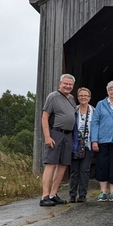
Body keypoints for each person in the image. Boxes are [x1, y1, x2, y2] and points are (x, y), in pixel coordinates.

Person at [40, 74, 77, 207]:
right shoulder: (53, 97)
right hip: (56, 133)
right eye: (65, 84)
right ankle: (44, 196)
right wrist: (47, 136)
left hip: (68, 135)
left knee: (63, 165)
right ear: (60, 83)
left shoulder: (72, 98)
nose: (67, 86)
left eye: (70, 84)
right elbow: (44, 117)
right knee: (51, 164)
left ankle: (53, 194)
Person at [69, 88, 95, 203]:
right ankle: (72, 195)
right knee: (74, 171)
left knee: (85, 170)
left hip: (87, 145)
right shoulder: (73, 111)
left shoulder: (94, 111)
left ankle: (83, 195)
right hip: (76, 144)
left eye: (86, 95)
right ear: (78, 98)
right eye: (81, 96)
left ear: (89, 98)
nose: (83, 97)